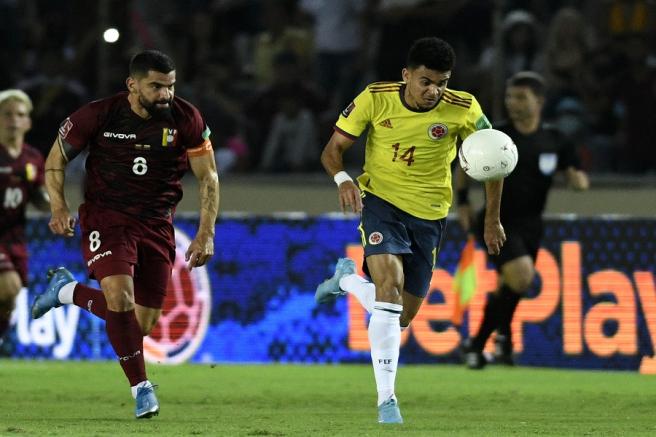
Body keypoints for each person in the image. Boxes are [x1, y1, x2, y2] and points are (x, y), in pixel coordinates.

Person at [314, 37, 506, 424]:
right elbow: (332, 150)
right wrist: (343, 179)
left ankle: (347, 281)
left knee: (400, 316)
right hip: (381, 202)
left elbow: (494, 160)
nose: (434, 91)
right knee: (389, 287)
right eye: (426, 81)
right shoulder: (375, 98)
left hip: (430, 215)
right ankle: (387, 401)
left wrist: (491, 218)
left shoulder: (464, 108)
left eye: (442, 83)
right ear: (406, 75)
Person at [30, 50, 220, 418]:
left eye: (170, 86)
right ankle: (142, 389)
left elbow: (208, 176)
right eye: (156, 86)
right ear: (132, 85)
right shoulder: (98, 114)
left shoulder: (186, 118)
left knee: (140, 324)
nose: (166, 94)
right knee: (119, 297)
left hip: (157, 224)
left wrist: (206, 232)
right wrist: (58, 206)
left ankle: (67, 291)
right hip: (108, 218)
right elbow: (55, 160)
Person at [456, 71, 589, 369]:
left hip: (532, 224)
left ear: (539, 101)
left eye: (520, 97)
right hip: (496, 221)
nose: (512, 103)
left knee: (512, 285)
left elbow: (575, 172)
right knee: (522, 274)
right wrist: (462, 202)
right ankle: (491, 340)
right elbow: (462, 165)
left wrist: (577, 180)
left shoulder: (555, 139)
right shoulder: (496, 136)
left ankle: (487, 343)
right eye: (509, 97)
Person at [0, 89, 49, 345]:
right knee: (9, 285)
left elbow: (40, 197)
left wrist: (51, 204)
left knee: (8, 301)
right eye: (7, 114)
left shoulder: (33, 158)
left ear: (28, 122)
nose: (14, 120)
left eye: (20, 115)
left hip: (15, 239)